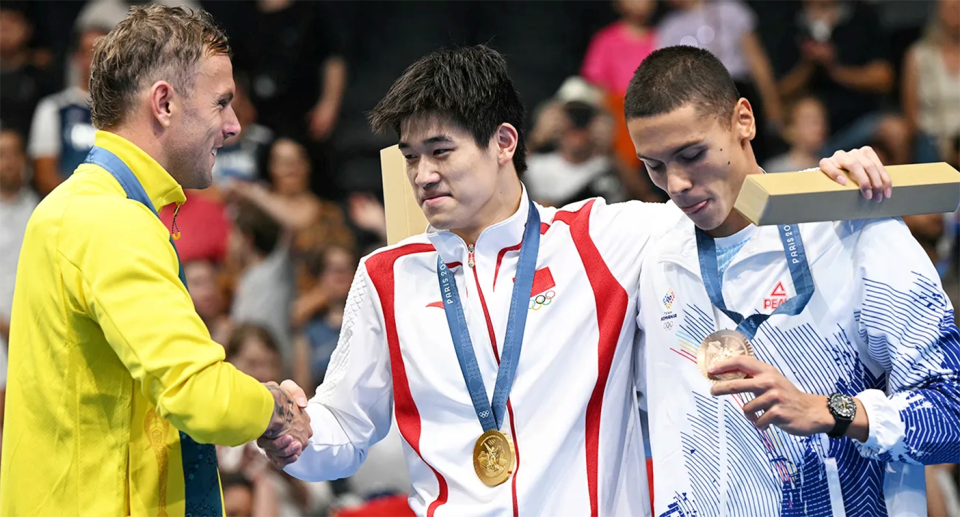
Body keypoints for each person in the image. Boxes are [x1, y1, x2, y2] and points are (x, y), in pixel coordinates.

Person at [258, 45, 887, 517]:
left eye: (441, 151)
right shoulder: (384, 276)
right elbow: (342, 431)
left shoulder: (609, 240)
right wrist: (296, 435)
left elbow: (730, 203)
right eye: (410, 157)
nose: (421, 174)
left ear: (503, 142)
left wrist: (828, 178)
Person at [0, 6, 311, 517]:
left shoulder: (78, 207)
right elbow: (199, 396)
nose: (235, 126)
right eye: (221, 103)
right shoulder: (110, 220)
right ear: (164, 103)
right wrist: (276, 408)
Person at [627, 45, 957, 517]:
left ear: (744, 120)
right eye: (654, 165)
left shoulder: (850, 221)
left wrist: (829, 411)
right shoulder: (649, 250)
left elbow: (952, 413)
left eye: (691, 154)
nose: (676, 184)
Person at [28, 25, 110, 196]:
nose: (97, 60)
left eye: (105, 52)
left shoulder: (128, 110)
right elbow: (44, 175)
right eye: (89, 52)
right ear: (76, 58)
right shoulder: (53, 108)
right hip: (67, 208)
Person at [902, 0, 960, 164]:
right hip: (932, 138)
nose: (956, 13)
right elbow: (911, 115)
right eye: (951, 8)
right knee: (926, 147)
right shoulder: (918, 55)